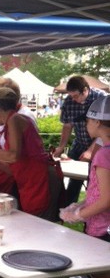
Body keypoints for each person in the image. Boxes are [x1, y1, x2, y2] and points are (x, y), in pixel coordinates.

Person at [0, 87, 61, 219]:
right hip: (31, 181)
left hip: (40, 180)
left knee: (39, 224)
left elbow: (13, 156)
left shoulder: (15, 119)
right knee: (33, 222)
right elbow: (11, 169)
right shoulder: (12, 122)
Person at [60, 95, 110, 278]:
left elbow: (105, 200)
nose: (86, 126)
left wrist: (77, 215)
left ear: (97, 122)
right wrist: (81, 203)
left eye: (88, 121)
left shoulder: (103, 155)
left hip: (103, 230)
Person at [54, 75, 106, 204]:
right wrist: (61, 147)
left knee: (94, 181)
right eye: (71, 96)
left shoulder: (102, 99)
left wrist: (90, 151)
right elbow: (67, 126)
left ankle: (91, 207)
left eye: (76, 96)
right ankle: (69, 207)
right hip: (79, 144)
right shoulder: (69, 101)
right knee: (74, 180)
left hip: (100, 146)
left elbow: (104, 131)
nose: (73, 99)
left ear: (85, 90)